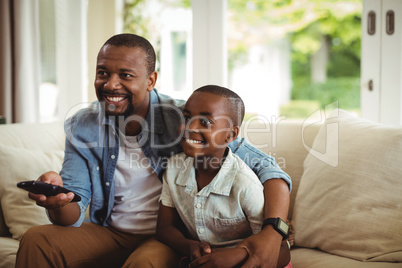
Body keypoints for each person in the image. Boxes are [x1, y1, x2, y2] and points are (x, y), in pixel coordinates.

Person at [15, 33, 291, 268]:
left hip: (166, 238)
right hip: (109, 232)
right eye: (103, 73)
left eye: (125, 75)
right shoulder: (82, 125)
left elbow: (269, 170)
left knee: (145, 262)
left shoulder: (184, 118)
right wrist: (58, 202)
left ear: (150, 80)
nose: (111, 84)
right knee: (37, 240)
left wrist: (273, 232)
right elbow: (73, 210)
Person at [156, 85, 291, 268]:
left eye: (205, 121)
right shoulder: (173, 168)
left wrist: (235, 257)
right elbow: (164, 227)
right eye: (187, 117)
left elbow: (279, 250)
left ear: (231, 135)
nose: (190, 127)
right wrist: (189, 246)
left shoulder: (245, 183)